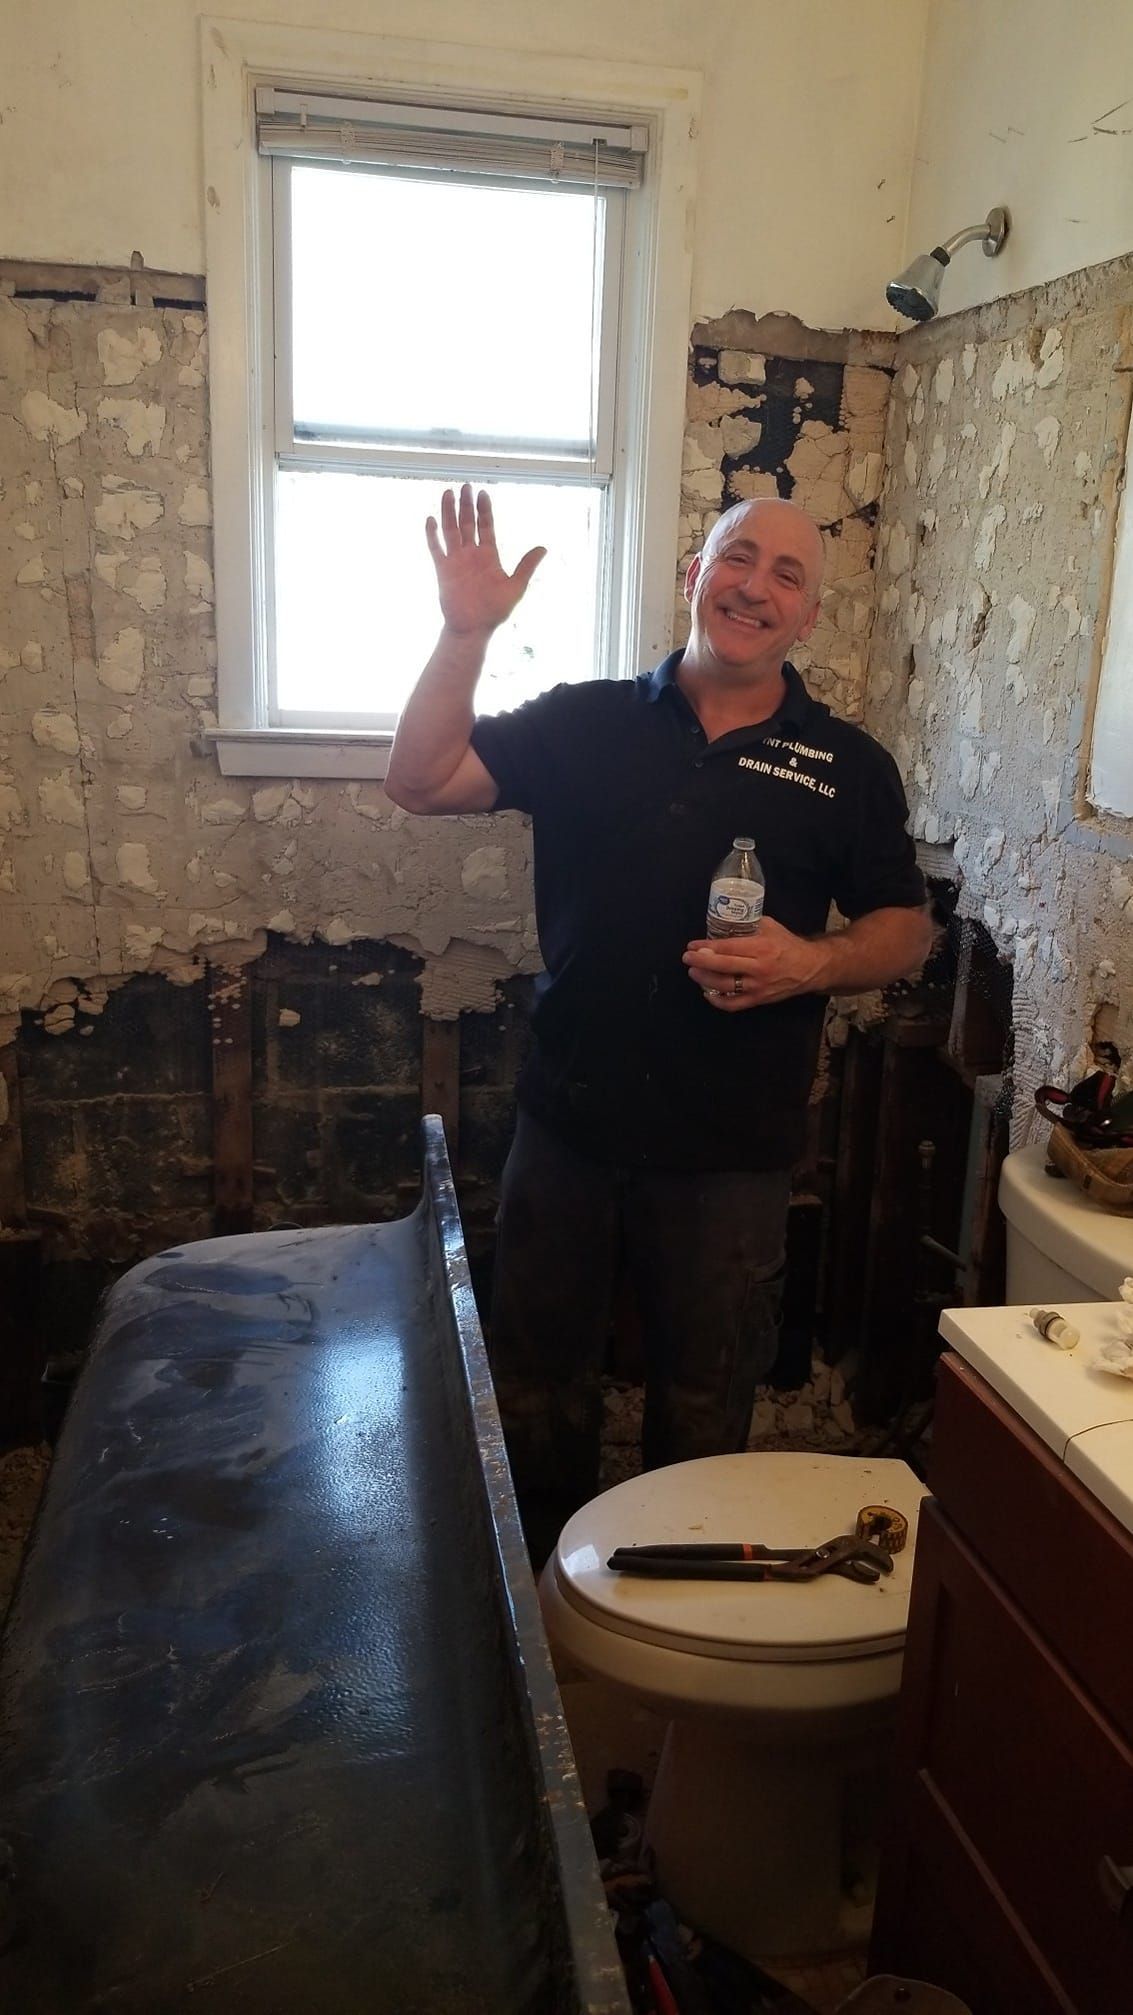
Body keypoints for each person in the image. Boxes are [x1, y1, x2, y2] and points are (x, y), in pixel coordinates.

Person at [386, 483, 931, 1563]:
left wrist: (812, 961)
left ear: (809, 615)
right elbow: (419, 778)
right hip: (567, 1129)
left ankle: (673, 1593)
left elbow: (904, 929)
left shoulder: (846, 767)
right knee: (536, 1381)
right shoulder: (585, 720)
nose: (755, 587)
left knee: (703, 1396)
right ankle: (541, 1593)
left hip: (732, 1152)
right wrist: (464, 634)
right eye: (738, 558)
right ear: (695, 574)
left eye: (787, 575)